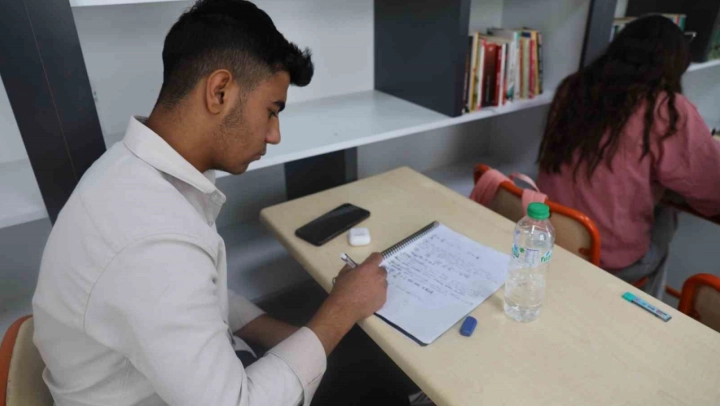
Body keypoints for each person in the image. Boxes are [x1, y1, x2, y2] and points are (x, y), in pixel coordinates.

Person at [32, 1, 417, 405]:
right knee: (378, 381)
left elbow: (199, 297)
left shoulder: (137, 174)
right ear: (219, 92)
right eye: (271, 111)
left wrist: (290, 335)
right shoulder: (148, 236)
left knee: (359, 361)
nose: (274, 135)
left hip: (206, 377)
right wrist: (341, 309)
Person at [536, 15, 720, 298]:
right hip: (610, 260)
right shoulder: (666, 110)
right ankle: (646, 309)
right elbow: (711, 191)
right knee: (668, 213)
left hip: (552, 236)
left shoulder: (573, 88)